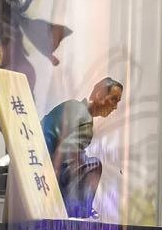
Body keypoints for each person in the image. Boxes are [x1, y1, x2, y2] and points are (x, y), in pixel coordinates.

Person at [41, 78, 124, 218]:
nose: (115, 107)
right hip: (48, 164)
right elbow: (66, 152)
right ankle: (79, 211)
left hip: (38, 153)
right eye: (113, 99)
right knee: (94, 164)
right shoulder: (86, 122)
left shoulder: (71, 104)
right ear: (99, 95)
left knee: (83, 160)